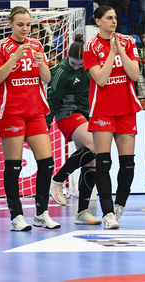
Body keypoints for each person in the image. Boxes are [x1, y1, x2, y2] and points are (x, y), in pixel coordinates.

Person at [0, 6, 60, 231]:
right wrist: (15, 57)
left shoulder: (37, 46)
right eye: (20, 25)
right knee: (14, 166)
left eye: (28, 25)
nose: (25, 29)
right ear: (10, 23)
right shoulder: (2, 46)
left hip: (36, 111)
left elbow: (46, 79)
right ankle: (16, 216)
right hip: (11, 112)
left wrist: (40, 63)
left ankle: (41, 213)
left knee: (47, 163)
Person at [83, 6, 142, 229]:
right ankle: (107, 214)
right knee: (104, 162)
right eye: (109, 18)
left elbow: (134, 74)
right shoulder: (91, 47)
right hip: (103, 110)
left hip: (126, 108)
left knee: (128, 165)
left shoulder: (128, 41)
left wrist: (121, 51)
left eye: (116, 17)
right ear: (98, 21)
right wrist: (111, 54)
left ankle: (119, 207)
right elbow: (100, 79)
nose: (114, 21)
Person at [46, 35, 102, 225]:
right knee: (95, 145)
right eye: (73, 63)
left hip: (87, 115)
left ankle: (82, 212)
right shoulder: (61, 72)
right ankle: (57, 180)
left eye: (80, 64)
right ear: (67, 57)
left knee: (91, 161)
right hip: (68, 114)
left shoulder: (91, 65)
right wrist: (45, 126)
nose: (77, 67)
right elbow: (52, 101)